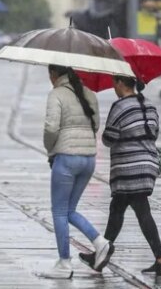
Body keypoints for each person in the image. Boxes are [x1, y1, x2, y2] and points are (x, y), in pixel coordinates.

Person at [80, 76, 161, 276]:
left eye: (114, 83)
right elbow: (154, 134)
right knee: (117, 209)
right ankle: (101, 255)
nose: (113, 86)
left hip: (129, 168)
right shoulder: (149, 105)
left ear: (122, 84)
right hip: (148, 164)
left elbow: (109, 139)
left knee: (141, 211)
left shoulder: (120, 107)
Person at [42, 64, 112, 279]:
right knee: (69, 210)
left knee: (59, 211)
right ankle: (100, 243)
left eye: (49, 74)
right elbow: (96, 124)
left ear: (55, 74)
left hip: (66, 158)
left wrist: (50, 148)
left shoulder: (57, 94)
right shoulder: (88, 93)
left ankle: (64, 263)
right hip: (88, 159)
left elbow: (51, 128)